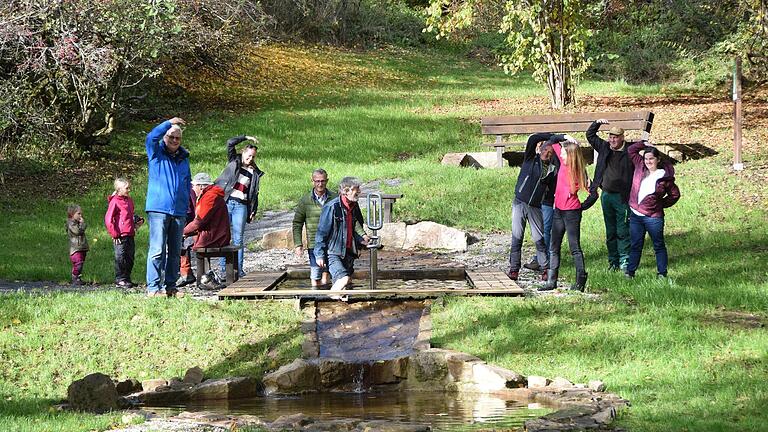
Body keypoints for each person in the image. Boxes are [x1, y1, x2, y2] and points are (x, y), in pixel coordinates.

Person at [539, 135, 595, 292]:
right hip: (559, 211)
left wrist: (582, 206)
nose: (561, 154)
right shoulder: (562, 165)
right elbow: (551, 140)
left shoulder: (578, 172)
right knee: (553, 246)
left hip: (572, 213)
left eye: (564, 153)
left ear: (570, 155)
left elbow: (593, 193)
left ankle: (580, 281)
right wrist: (565, 137)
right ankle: (552, 280)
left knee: (574, 247)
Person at [145, 117, 190, 298]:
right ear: (165, 137)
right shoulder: (156, 153)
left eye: (177, 138)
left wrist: (187, 206)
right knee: (157, 250)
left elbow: (187, 182)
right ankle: (153, 288)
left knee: (174, 252)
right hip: (158, 209)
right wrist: (168, 123)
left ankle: (171, 286)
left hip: (178, 211)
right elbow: (150, 137)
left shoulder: (184, 158)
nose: (174, 140)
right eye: (171, 136)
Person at [586, 120, 637, 272]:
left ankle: (624, 261)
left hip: (623, 197)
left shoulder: (630, 151)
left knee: (622, 231)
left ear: (622, 137)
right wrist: (597, 123)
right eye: (610, 137)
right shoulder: (604, 147)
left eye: (615, 137)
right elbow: (590, 135)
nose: (612, 140)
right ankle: (612, 261)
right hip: (606, 195)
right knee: (610, 231)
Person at [507, 133, 560, 281]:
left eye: (549, 152)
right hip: (520, 202)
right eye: (544, 150)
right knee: (517, 237)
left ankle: (545, 269)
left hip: (536, 207)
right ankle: (514, 269)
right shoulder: (530, 158)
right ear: (540, 149)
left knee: (539, 239)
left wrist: (558, 143)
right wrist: (552, 136)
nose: (546, 153)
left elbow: (551, 191)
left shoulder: (552, 170)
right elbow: (532, 139)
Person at [625, 143, 680, 278]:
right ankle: (630, 272)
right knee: (635, 244)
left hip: (653, 217)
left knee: (658, 245)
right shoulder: (640, 167)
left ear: (658, 159)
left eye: (651, 159)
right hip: (635, 215)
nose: (648, 161)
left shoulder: (663, 177)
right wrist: (644, 144)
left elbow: (675, 195)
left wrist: (660, 204)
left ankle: (662, 273)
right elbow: (631, 150)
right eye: (646, 159)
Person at [214, 135, 264, 279]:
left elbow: (254, 193)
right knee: (224, 236)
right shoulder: (234, 161)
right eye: (248, 156)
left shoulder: (254, 172)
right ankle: (224, 270)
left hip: (241, 205)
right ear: (243, 152)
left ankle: (238, 270)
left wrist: (253, 209)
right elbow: (229, 143)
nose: (250, 159)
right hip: (227, 202)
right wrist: (246, 137)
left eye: (252, 157)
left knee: (238, 239)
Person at [314, 177, 369, 297]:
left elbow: (354, 226)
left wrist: (361, 240)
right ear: (345, 190)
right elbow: (321, 233)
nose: (359, 192)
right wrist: (319, 255)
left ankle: (336, 308)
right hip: (333, 252)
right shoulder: (332, 207)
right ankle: (326, 302)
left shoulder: (354, 205)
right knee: (343, 279)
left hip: (348, 252)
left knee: (347, 282)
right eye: (356, 189)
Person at [183, 173, 231, 289]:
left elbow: (199, 221)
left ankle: (196, 278)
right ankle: (195, 275)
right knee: (184, 241)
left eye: (194, 186)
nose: (193, 189)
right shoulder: (211, 194)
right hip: (217, 234)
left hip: (214, 237)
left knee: (181, 243)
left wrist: (183, 232)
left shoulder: (209, 197)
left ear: (201, 186)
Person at [293, 168, 337, 287]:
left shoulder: (335, 198)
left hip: (332, 243)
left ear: (327, 181)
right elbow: (297, 223)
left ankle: (326, 300)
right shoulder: (305, 200)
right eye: (317, 181)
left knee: (327, 273)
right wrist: (298, 244)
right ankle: (315, 295)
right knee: (315, 274)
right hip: (313, 243)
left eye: (322, 181)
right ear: (312, 181)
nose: (320, 184)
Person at [104, 177, 144, 288]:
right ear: (119, 189)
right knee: (120, 257)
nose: (129, 190)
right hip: (120, 235)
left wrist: (137, 221)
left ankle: (127, 278)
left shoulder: (129, 200)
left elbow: (129, 215)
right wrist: (114, 233)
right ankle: (120, 279)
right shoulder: (115, 202)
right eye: (127, 188)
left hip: (130, 233)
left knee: (130, 257)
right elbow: (108, 219)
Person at [177, 184, 198, 287]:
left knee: (182, 245)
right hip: (184, 214)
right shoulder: (187, 185)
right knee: (182, 245)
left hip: (184, 215)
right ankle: (186, 272)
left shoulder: (186, 186)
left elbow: (193, 203)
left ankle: (185, 273)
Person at [66, 204, 89, 286]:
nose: (80, 216)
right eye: (78, 214)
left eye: (81, 214)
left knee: (81, 263)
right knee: (78, 263)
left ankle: (78, 278)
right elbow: (77, 232)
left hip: (81, 247)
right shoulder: (71, 223)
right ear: (72, 214)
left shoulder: (77, 223)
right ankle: (75, 277)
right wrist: (82, 224)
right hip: (75, 248)